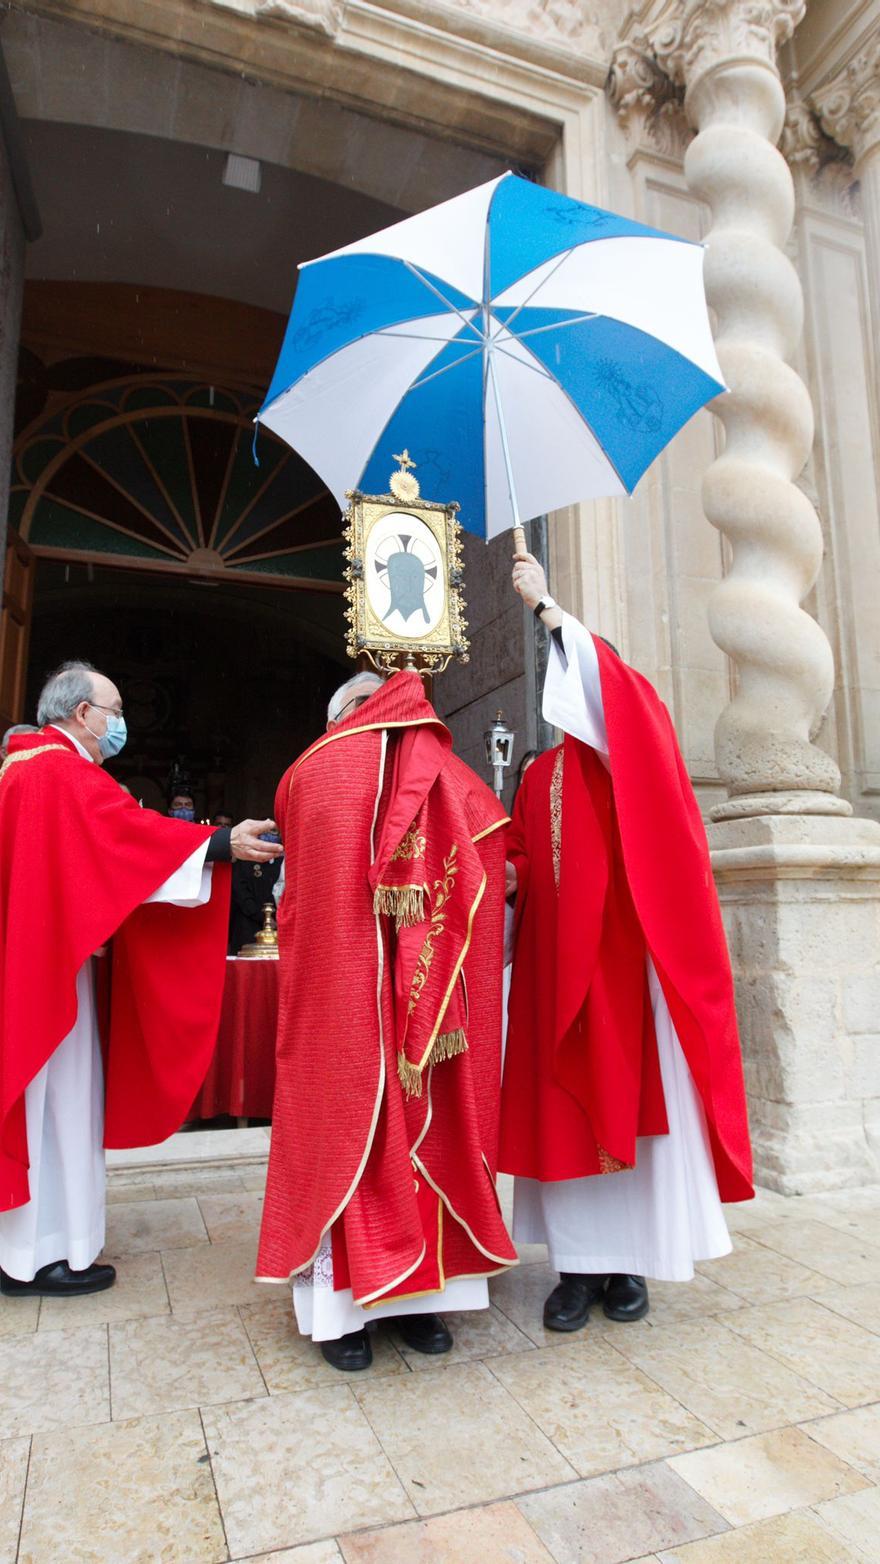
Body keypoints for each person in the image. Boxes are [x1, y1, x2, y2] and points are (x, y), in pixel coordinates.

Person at [501, 555, 753, 1331]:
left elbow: (621, 704)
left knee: (632, 1115)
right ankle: (577, 1271)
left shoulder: (626, 757)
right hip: (555, 976)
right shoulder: (539, 773)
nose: (558, 678)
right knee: (566, 1120)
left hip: (624, 971)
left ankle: (633, 1266)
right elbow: (518, 859)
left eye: (570, 663)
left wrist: (547, 608)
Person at [257, 668, 517, 1369]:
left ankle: (357, 1316)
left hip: (340, 999)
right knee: (415, 1138)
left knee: (352, 1132)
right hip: (427, 1006)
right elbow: (490, 852)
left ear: (342, 714)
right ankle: (414, 1309)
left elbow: (295, 902)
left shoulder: (310, 770)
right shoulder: (452, 771)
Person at [0, 660, 281, 1298]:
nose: (119, 722)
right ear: (81, 714)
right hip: (48, 973)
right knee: (54, 1106)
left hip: (35, 960)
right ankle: (39, 1255)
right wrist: (218, 844)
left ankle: (32, 1244)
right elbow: (126, 839)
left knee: (41, 1105)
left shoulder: (22, 766)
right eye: (114, 709)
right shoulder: (56, 771)